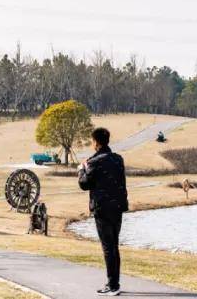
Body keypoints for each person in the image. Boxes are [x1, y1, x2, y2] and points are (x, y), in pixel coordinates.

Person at [78, 127, 129, 296]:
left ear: (96, 142)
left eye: (92, 141)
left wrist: (81, 169)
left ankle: (112, 285)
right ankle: (115, 282)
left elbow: (84, 184)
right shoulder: (118, 159)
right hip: (118, 207)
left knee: (108, 247)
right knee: (114, 245)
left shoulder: (94, 162)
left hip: (102, 208)